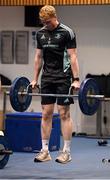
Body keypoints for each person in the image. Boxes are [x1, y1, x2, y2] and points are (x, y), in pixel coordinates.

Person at [31, 5, 80, 164]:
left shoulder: (67, 32)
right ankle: (45, 151)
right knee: (46, 113)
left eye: (48, 22)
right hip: (47, 78)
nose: (46, 25)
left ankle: (66, 152)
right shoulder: (40, 34)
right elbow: (38, 57)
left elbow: (73, 57)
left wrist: (76, 79)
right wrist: (34, 78)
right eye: (43, 22)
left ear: (54, 17)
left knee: (64, 113)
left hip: (64, 77)